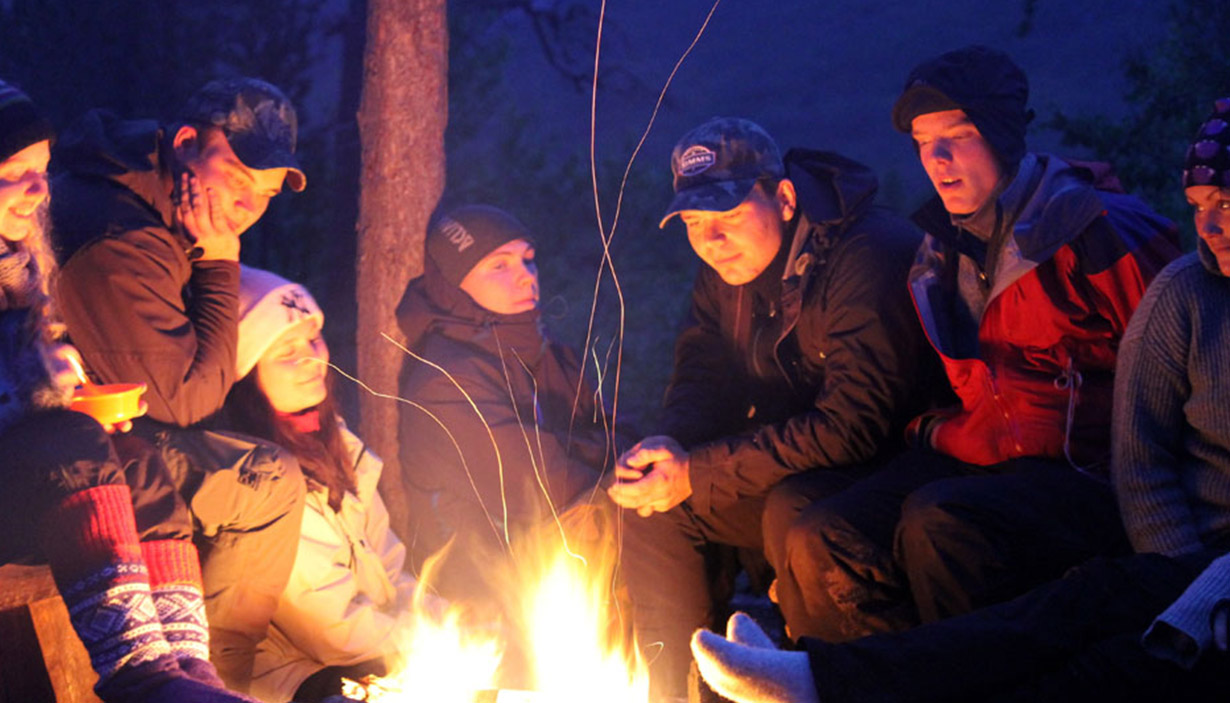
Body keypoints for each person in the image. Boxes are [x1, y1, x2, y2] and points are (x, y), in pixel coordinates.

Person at [687, 96, 1230, 703]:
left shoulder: (1093, 233)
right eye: (1200, 208)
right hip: (1150, 542)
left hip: (1093, 489)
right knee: (816, 521)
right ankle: (820, 674)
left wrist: (1183, 585)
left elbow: (857, 420)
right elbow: (1146, 448)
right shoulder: (1188, 288)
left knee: (978, 554)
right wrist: (1171, 576)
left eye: (1225, 206)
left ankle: (827, 679)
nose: (1207, 229)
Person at [774, 44, 1181, 644]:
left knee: (940, 521)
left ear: (1001, 134)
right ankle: (876, 682)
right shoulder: (940, 252)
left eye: (957, 136)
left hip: (1088, 472)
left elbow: (1187, 368)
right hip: (986, 455)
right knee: (820, 530)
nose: (936, 160)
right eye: (921, 142)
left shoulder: (1096, 232)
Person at [607, 116, 936, 699]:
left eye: (728, 217)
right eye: (693, 222)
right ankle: (679, 693)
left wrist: (700, 472)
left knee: (793, 514)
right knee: (655, 509)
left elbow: (856, 424)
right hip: (806, 459)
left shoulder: (867, 255)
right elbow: (702, 374)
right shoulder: (729, 266)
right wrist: (673, 450)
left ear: (783, 198)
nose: (710, 241)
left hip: (899, 461)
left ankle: (827, 688)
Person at [0, 78, 256, 703]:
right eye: (15, 173)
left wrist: (67, 380)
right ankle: (141, 676)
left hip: (23, 475)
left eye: (44, 170)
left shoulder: (20, 263)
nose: (40, 190)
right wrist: (44, 387)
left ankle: (188, 669)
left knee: (140, 459)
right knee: (69, 440)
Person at [49, 77, 309, 692]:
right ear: (187, 142)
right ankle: (214, 685)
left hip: (106, 436)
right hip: (63, 455)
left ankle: (204, 681)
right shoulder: (125, 234)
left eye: (266, 192)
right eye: (240, 177)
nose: (248, 203)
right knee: (265, 482)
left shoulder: (146, 200)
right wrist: (220, 260)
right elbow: (184, 402)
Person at [223, 266, 428, 703]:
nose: (312, 359)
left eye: (313, 339)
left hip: (367, 651)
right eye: (285, 352)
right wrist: (434, 638)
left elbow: (390, 568)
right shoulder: (255, 477)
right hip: (291, 678)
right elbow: (334, 632)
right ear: (245, 375)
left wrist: (447, 619)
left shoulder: (334, 441)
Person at [397, 203, 618, 607]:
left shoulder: (548, 354)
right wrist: (598, 460)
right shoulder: (444, 377)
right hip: (478, 578)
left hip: (548, 552)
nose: (525, 276)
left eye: (528, 260)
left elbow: (619, 436)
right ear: (454, 282)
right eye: (499, 266)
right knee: (625, 516)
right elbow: (541, 483)